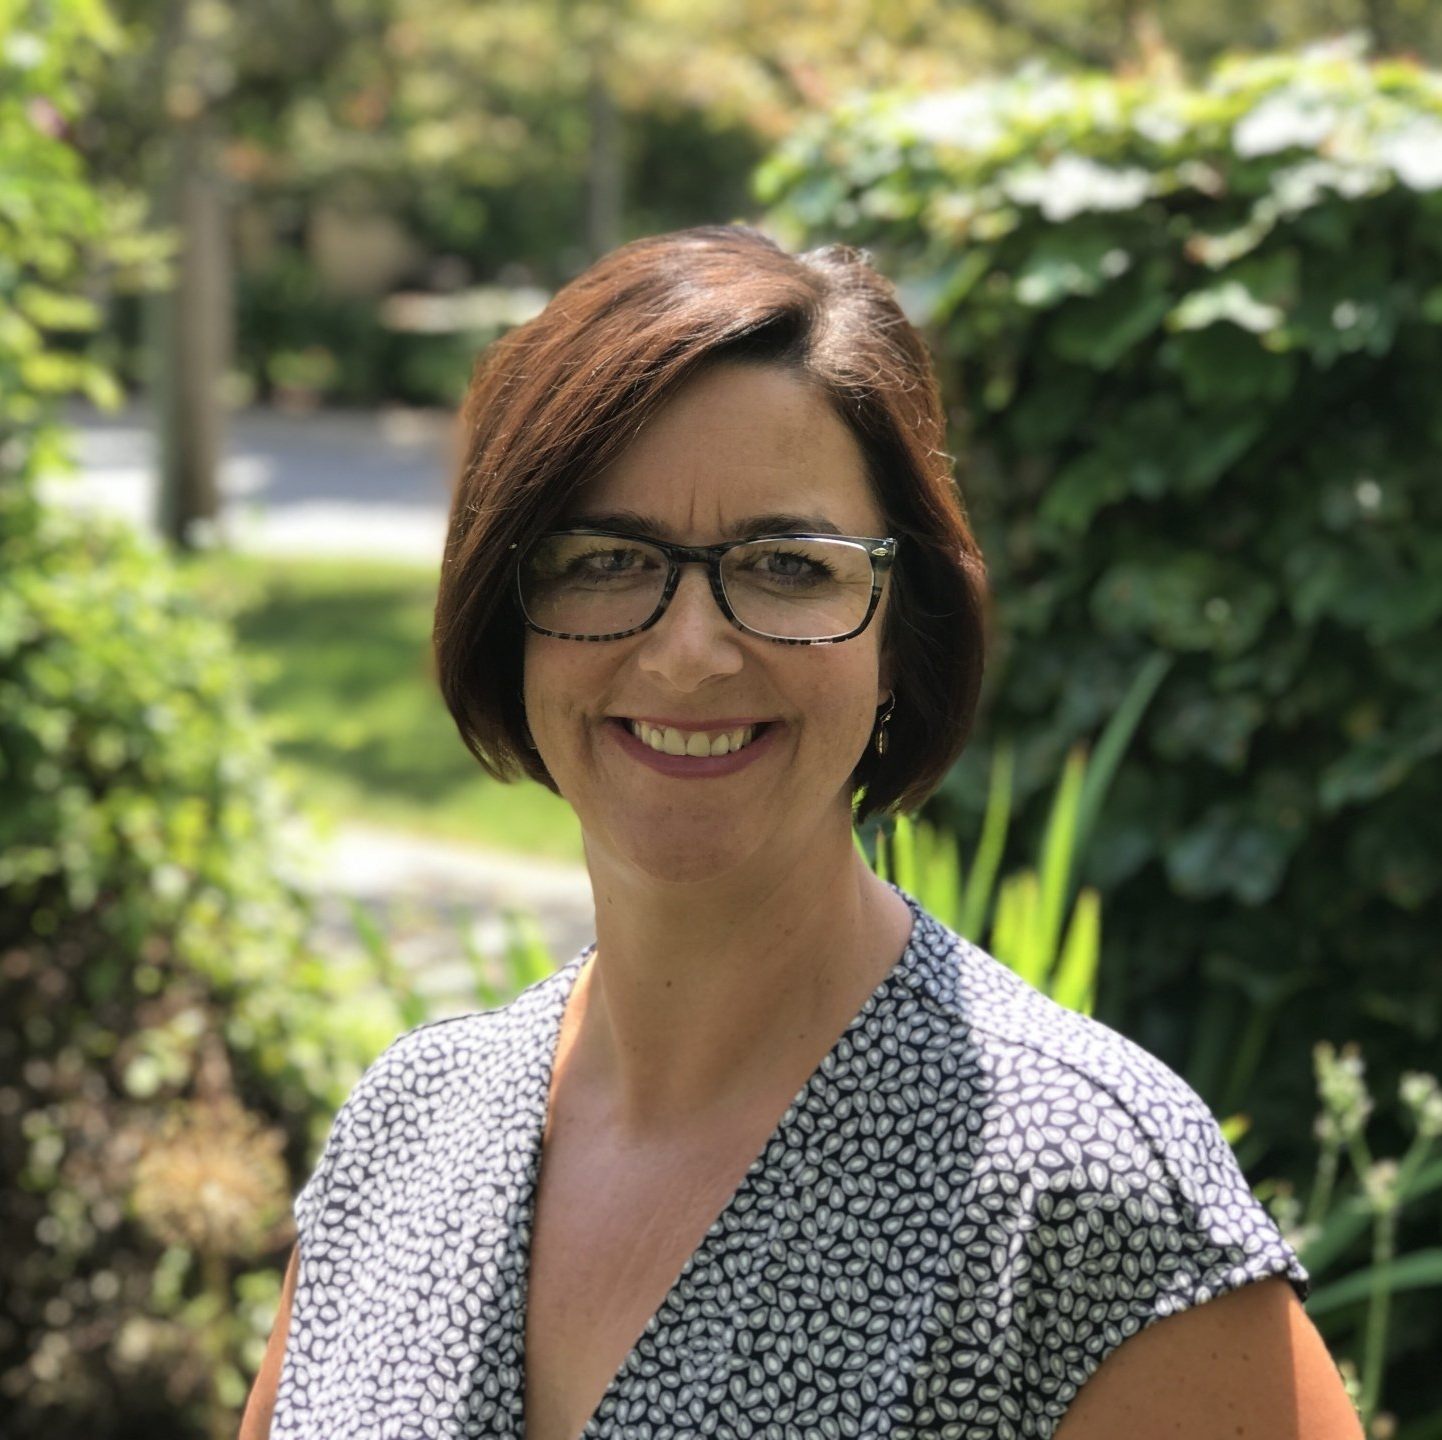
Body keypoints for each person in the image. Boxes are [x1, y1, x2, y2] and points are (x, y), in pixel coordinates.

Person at [242, 226, 1360, 1440]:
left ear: (901, 634)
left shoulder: (1080, 1199)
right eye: (605, 558)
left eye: (785, 565)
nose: (687, 650)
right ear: (507, 615)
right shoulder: (406, 1132)